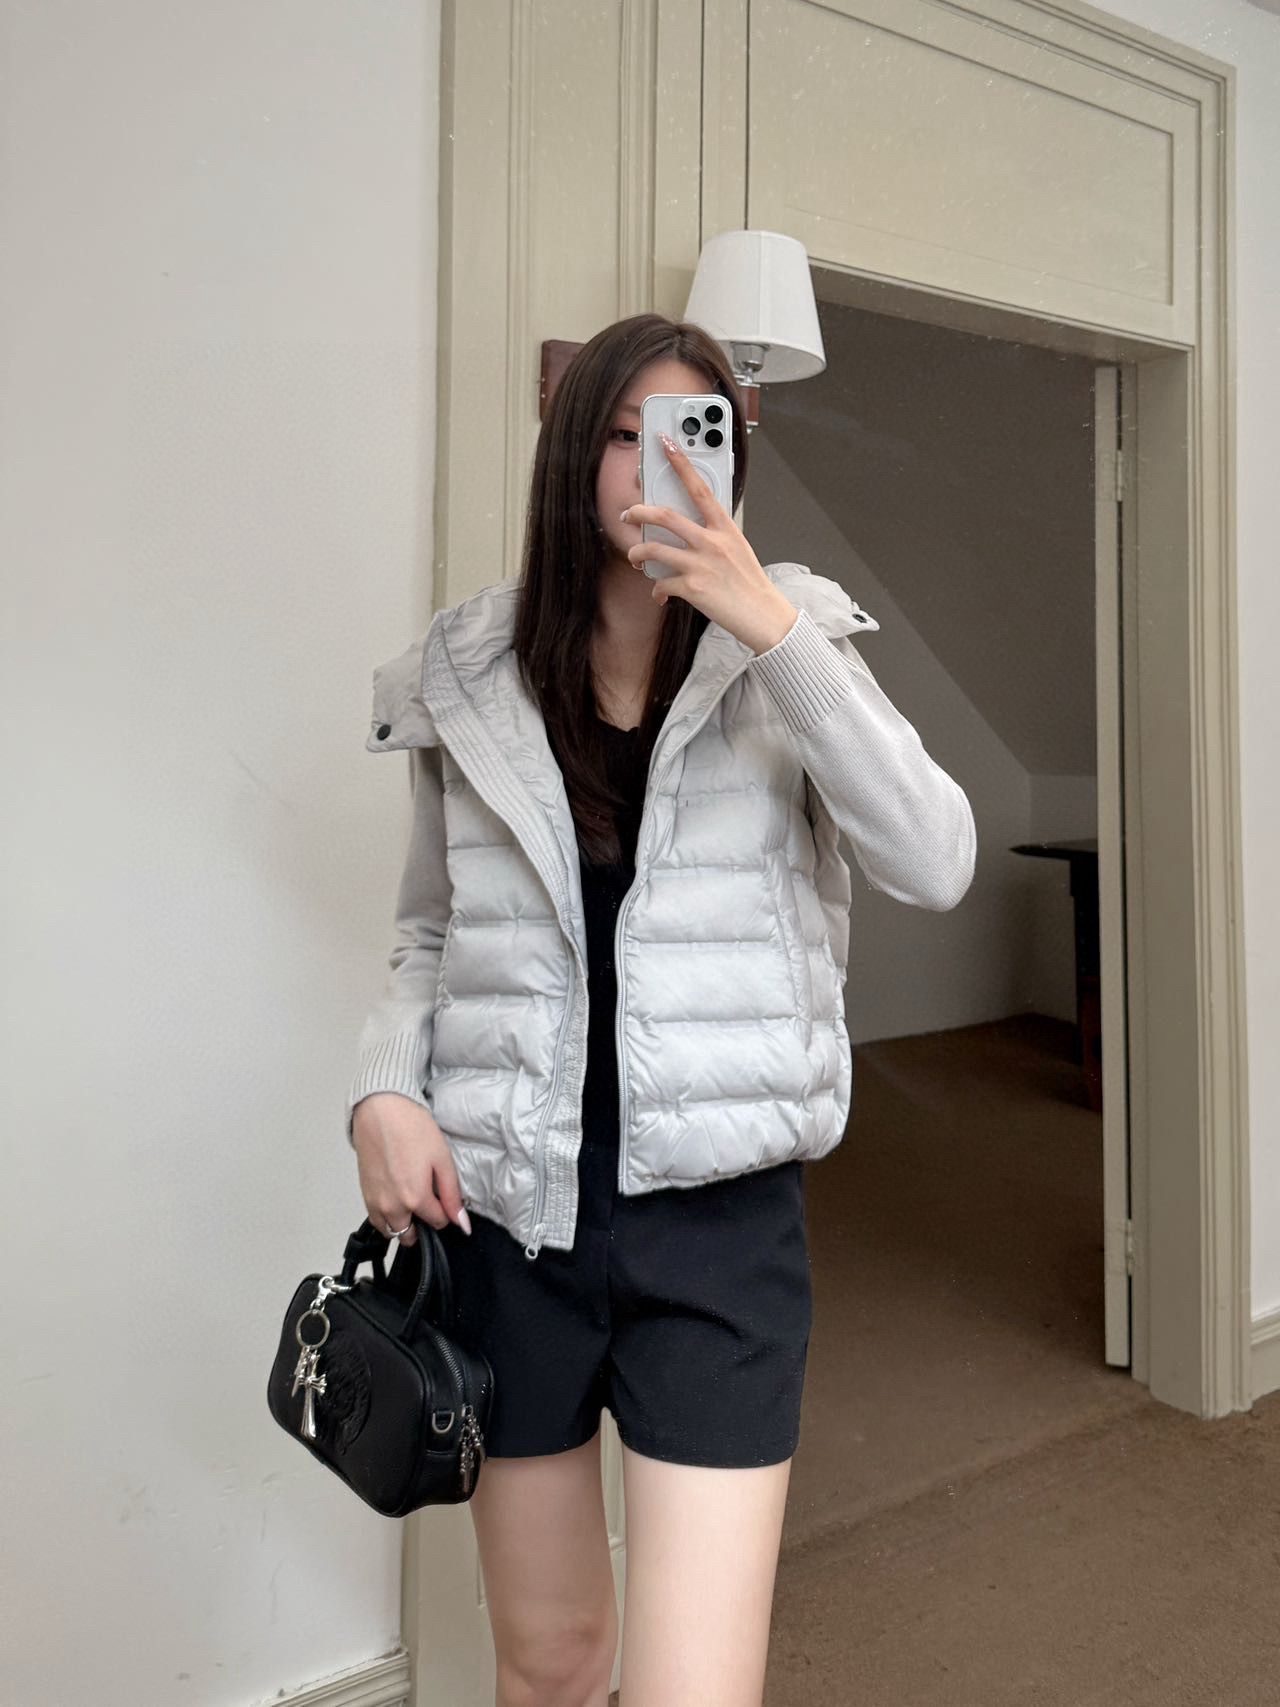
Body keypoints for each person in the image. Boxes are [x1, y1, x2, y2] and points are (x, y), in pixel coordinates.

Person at [346, 313, 976, 1707]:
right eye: (623, 435)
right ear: (573, 455)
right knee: (552, 1663)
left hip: (719, 1233)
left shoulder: (793, 643)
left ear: (734, 457)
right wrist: (384, 1086)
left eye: (693, 436)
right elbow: (431, 930)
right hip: (511, 1221)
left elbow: (935, 860)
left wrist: (774, 627)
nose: (654, 469)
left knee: (698, 1688)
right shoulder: (471, 671)